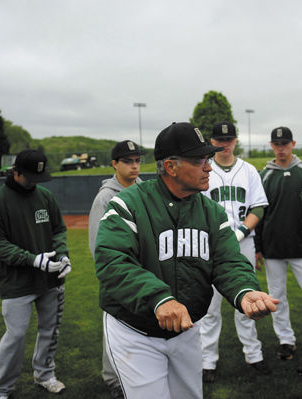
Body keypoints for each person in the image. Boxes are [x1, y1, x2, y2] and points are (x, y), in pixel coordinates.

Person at [94, 122, 279, 399]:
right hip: (136, 329)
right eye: (199, 160)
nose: (208, 167)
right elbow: (112, 262)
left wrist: (244, 290)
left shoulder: (211, 212)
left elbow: (229, 261)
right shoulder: (128, 204)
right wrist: (159, 298)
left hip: (188, 328)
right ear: (170, 167)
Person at [0, 149, 71, 399]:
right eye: (30, 177)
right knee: (16, 335)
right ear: (15, 172)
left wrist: (62, 255)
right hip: (15, 283)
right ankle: (1, 389)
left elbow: (58, 230)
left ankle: (44, 375)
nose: (35, 183)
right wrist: (33, 260)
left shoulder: (45, 197)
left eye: (39, 178)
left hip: (50, 279)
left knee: (50, 330)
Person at [199, 121, 270, 382]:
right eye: (219, 139)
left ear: (235, 141)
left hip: (243, 244)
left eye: (228, 139)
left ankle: (253, 355)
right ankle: (208, 360)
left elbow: (258, 208)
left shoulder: (248, 170)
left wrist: (240, 232)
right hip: (210, 247)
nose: (224, 144)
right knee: (210, 307)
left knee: (246, 301)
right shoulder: (204, 169)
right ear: (212, 141)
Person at [253, 126, 302, 376]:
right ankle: (285, 340)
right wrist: (257, 248)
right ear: (271, 146)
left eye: (285, 143)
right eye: (277, 144)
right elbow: (258, 214)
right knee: (276, 298)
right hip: (273, 248)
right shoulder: (264, 176)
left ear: (293, 144)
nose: (281, 148)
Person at [88, 140, 145, 398]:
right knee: (115, 326)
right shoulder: (106, 197)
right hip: (119, 273)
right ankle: (112, 379)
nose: (134, 166)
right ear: (114, 164)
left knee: (140, 327)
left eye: (137, 160)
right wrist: (113, 274)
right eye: (127, 161)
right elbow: (98, 244)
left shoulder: (145, 189)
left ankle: (137, 373)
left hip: (145, 272)